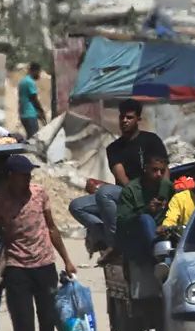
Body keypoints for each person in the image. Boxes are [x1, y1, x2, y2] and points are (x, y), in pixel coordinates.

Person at [0, 156, 75, 331]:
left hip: (45, 263)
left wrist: (66, 259)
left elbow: (52, 228)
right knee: (23, 319)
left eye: (29, 174)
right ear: (11, 176)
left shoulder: (39, 194)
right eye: (23, 175)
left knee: (48, 315)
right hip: (16, 266)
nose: (28, 178)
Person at [68, 100, 167, 254]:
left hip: (150, 192)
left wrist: (163, 194)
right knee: (77, 206)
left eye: (129, 117)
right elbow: (121, 177)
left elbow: (163, 169)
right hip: (126, 193)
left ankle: (115, 243)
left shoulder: (151, 140)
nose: (124, 121)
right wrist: (133, 195)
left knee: (105, 193)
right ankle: (109, 238)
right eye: (122, 117)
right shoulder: (114, 148)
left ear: (138, 119)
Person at [115, 153, 174, 260]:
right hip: (138, 235)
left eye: (162, 171)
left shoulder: (167, 187)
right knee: (145, 219)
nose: (159, 174)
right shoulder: (131, 190)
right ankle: (158, 258)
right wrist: (147, 210)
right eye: (155, 170)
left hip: (164, 230)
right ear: (146, 168)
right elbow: (122, 221)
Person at [17, 63, 46, 140]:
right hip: (30, 114)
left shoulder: (23, 81)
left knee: (30, 137)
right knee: (33, 139)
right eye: (39, 72)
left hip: (23, 114)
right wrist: (41, 110)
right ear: (34, 71)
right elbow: (34, 98)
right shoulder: (30, 82)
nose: (39, 75)